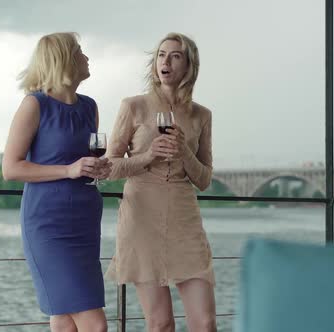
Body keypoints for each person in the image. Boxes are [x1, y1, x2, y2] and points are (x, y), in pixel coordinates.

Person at [105, 32, 217, 332]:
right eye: (160, 55)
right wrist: (147, 156)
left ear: (188, 66)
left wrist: (184, 154)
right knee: (161, 323)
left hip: (185, 219)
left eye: (175, 56)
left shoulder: (201, 115)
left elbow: (204, 179)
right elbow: (109, 167)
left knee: (205, 323)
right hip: (141, 218)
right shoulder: (133, 106)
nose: (165, 61)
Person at [2, 32, 111, 332]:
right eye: (79, 51)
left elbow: (82, 160)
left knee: (64, 322)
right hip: (49, 225)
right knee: (95, 325)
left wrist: (96, 168)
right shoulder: (34, 105)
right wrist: (68, 170)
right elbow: (11, 168)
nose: (86, 57)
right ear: (64, 59)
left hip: (85, 222)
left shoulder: (90, 107)